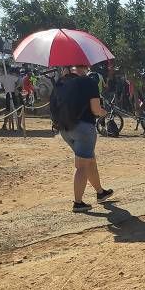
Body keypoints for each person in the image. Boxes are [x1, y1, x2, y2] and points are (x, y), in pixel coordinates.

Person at [53, 64, 114, 211]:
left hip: (65, 129)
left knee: (89, 160)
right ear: (86, 65)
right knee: (82, 166)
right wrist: (103, 113)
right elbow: (95, 109)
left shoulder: (62, 82)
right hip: (83, 129)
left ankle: (100, 193)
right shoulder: (89, 82)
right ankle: (78, 202)